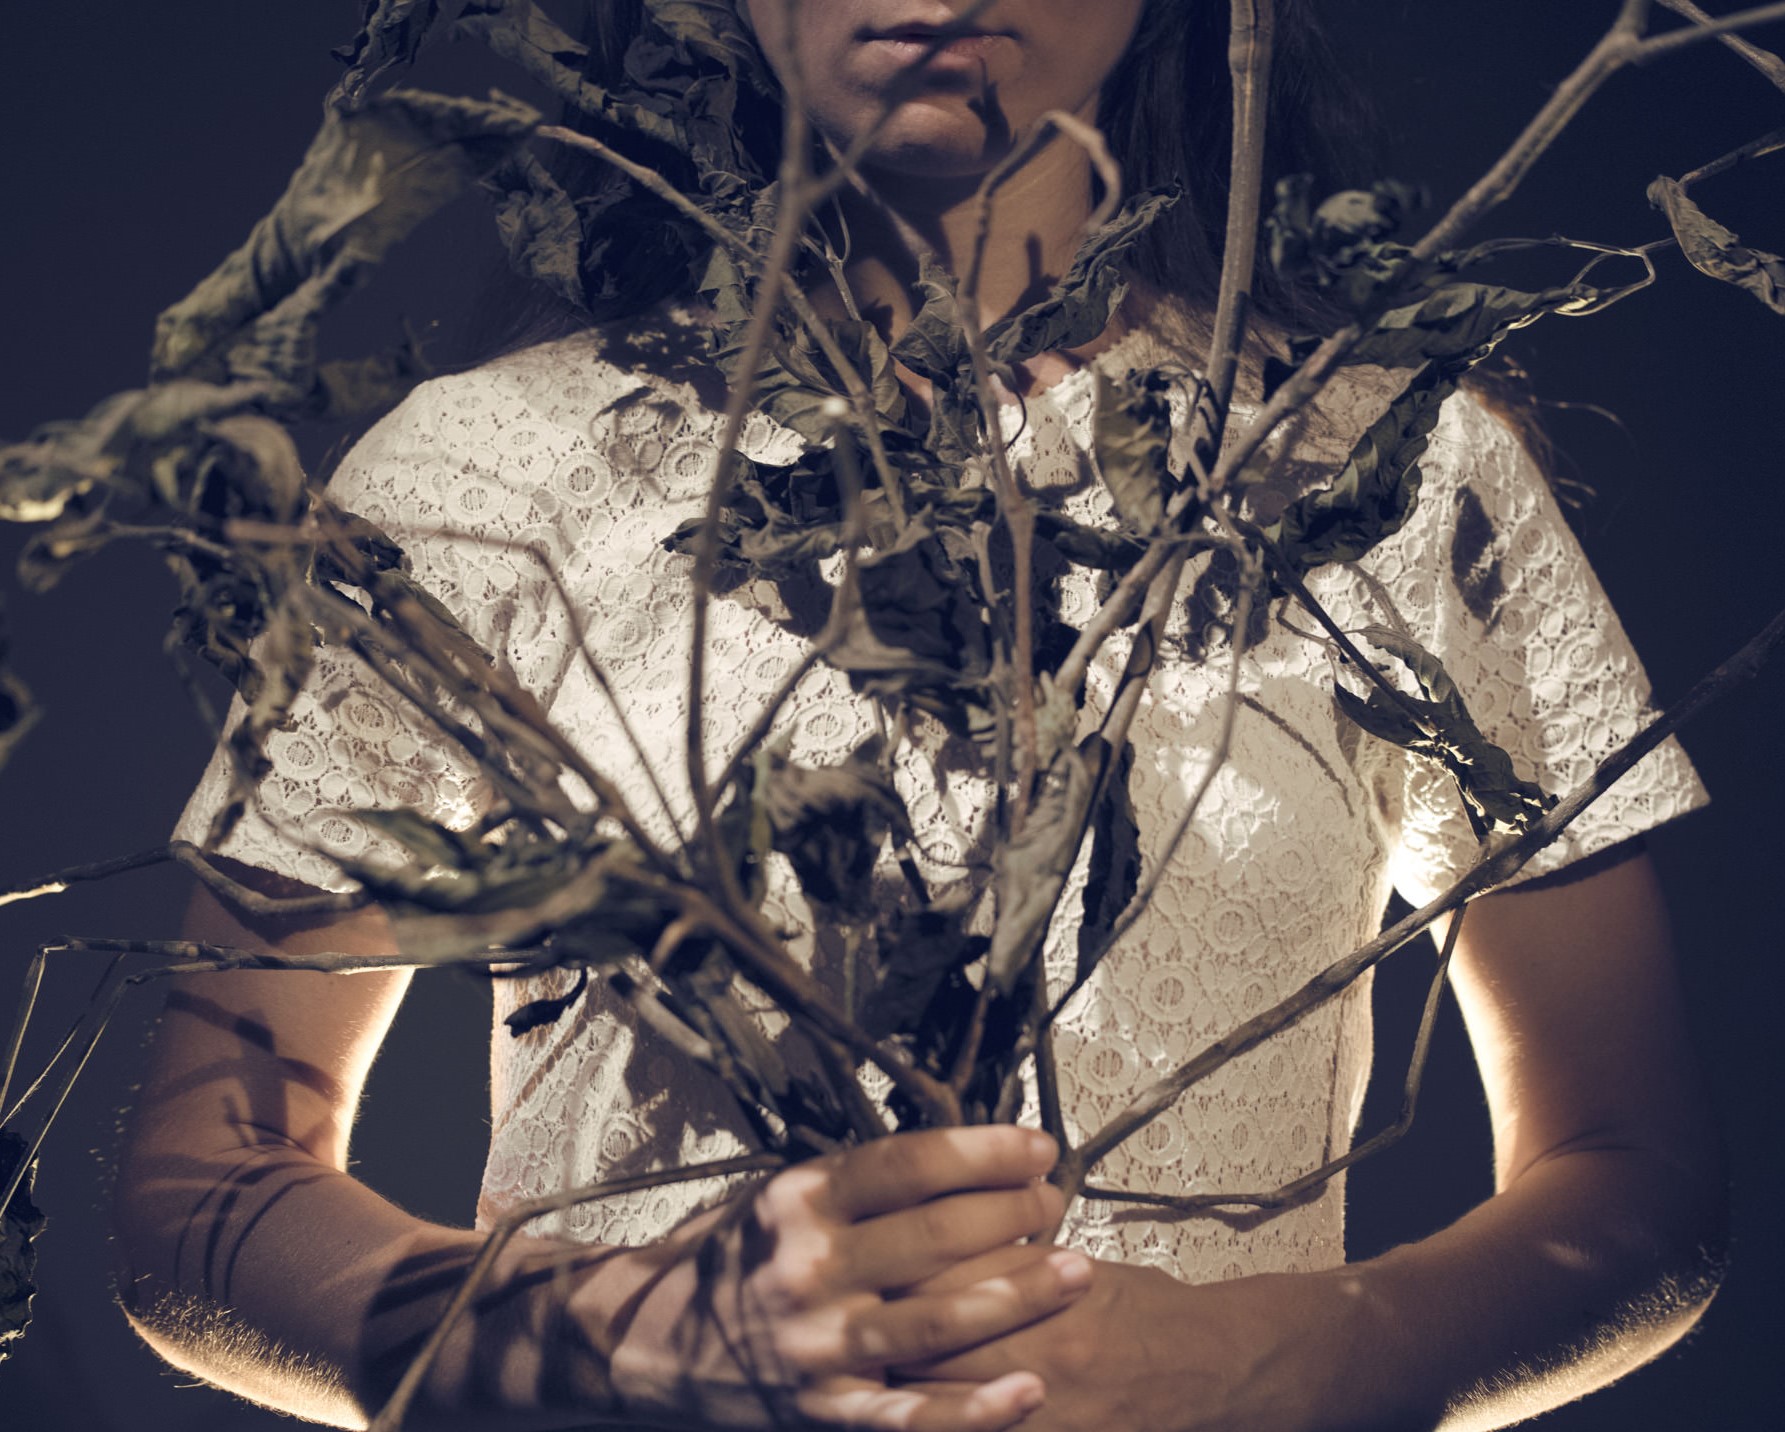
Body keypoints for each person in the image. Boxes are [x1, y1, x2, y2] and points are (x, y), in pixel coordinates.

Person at [110, 3, 1728, 1429]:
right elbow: (202, 1185)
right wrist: (616, 1339)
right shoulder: (482, 474)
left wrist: (1276, 1364)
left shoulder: (1389, 471)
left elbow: (1632, 1174)